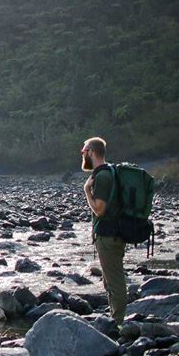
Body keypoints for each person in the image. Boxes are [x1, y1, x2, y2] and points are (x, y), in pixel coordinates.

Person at [82, 136, 126, 323]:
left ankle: (118, 325)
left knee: (114, 282)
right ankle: (115, 320)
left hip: (108, 235)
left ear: (92, 152)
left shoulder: (103, 176)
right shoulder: (109, 172)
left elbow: (99, 210)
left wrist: (87, 192)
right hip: (113, 233)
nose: (82, 153)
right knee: (109, 280)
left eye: (84, 150)